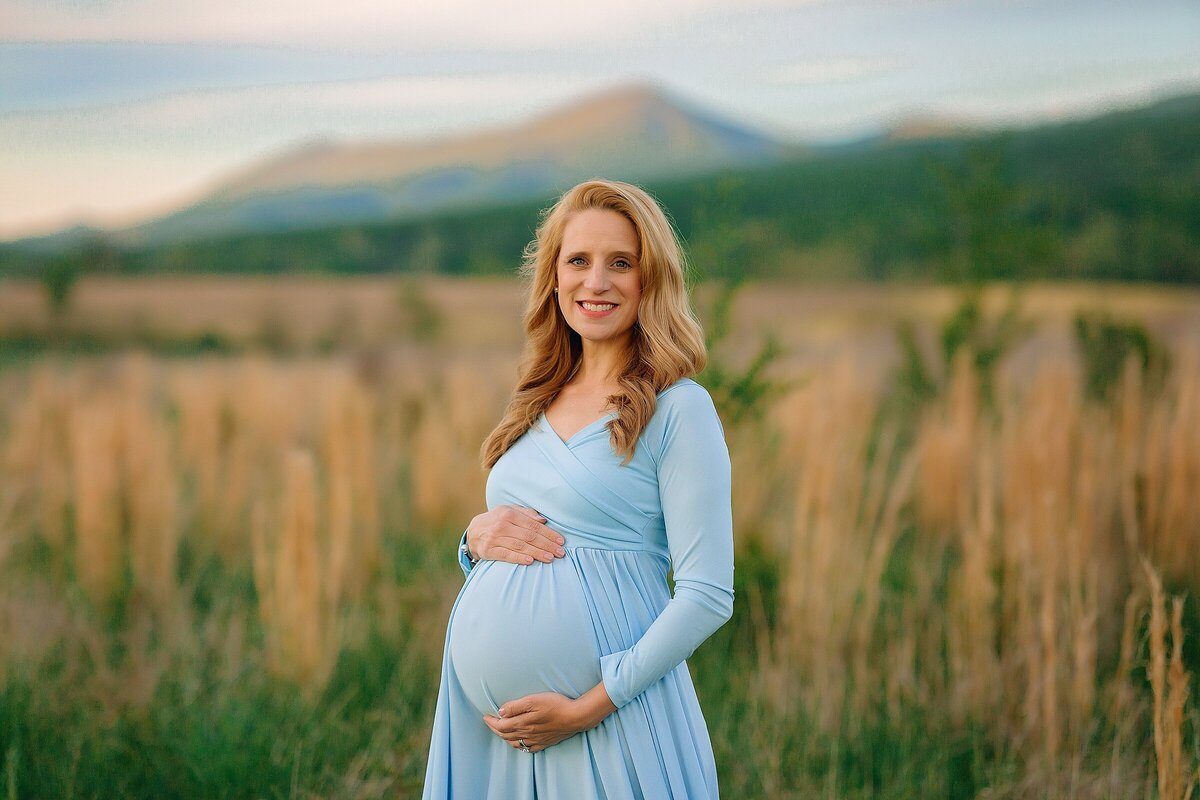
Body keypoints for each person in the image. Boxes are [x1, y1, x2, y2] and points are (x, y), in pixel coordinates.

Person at [421, 178, 735, 799]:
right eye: (578, 261)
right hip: (494, 737)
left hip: (609, 723)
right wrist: (472, 539)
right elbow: (516, 532)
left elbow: (708, 594)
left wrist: (586, 707)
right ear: (554, 277)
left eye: (622, 263)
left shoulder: (679, 409)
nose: (597, 282)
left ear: (652, 280)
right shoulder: (536, 398)